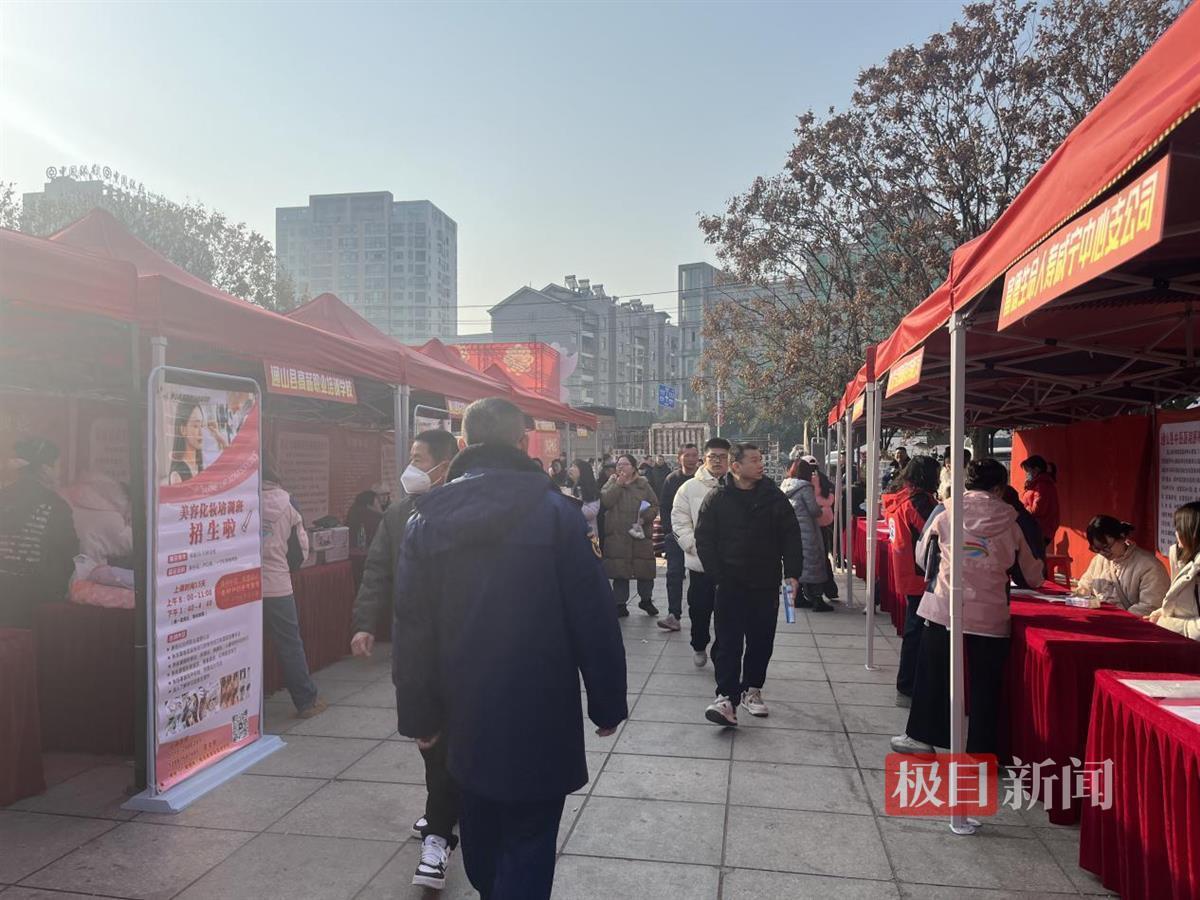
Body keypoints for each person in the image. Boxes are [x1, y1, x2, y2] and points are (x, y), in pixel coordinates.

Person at [392, 397, 626, 900]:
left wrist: (419, 715)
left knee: (481, 830)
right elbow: (595, 616)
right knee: (530, 835)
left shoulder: (426, 519)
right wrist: (607, 702)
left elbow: (412, 628)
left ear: (463, 443)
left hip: (463, 711)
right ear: (522, 442)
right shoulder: (559, 515)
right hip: (542, 708)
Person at [349, 429, 459, 888]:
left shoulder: (464, 512)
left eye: (420, 459)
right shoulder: (397, 514)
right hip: (414, 648)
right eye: (411, 457)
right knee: (427, 737)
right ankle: (443, 812)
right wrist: (364, 623)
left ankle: (440, 829)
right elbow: (376, 570)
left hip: (459, 645)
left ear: (445, 466)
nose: (411, 467)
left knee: (448, 739)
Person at [892, 459, 1043, 756]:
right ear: (1000, 488)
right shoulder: (1013, 519)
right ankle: (981, 751)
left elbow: (923, 556)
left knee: (933, 673)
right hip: (991, 611)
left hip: (944, 604)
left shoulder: (945, 510)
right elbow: (1032, 574)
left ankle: (921, 738)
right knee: (986, 684)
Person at [696, 443, 803, 726]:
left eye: (760, 459)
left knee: (761, 639)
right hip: (729, 583)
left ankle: (752, 690)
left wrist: (792, 573)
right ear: (736, 466)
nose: (760, 464)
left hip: (765, 582)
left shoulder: (773, 497)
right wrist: (717, 574)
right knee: (728, 641)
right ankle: (726, 698)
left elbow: (791, 536)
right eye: (754, 460)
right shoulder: (717, 498)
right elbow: (704, 539)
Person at [260, 464, 326, 720]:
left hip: (242, 587)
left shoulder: (242, 500)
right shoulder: (288, 502)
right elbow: (300, 549)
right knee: (289, 644)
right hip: (278, 585)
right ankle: (306, 701)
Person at [0, 438, 79, 628]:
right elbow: (68, 555)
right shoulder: (56, 506)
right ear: (44, 469)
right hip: (34, 601)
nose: (58, 472)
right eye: (57, 466)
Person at [882, 456, 940, 707]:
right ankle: (907, 686)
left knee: (914, 630)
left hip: (909, 573)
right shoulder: (918, 503)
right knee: (917, 633)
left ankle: (907, 685)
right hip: (921, 575)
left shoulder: (900, 499)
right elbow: (936, 531)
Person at [672, 437, 731, 666]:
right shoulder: (689, 488)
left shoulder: (737, 485)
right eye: (712, 456)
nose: (717, 461)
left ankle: (722, 653)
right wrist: (693, 546)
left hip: (730, 564)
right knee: (700, 610)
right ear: (704, 459)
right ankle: (699, 644)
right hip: (700, 564)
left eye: (722, 457)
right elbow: (679, 522)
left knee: (728, 614)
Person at [601, 454, 660, 617]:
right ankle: (620, 603)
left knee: (644, 568)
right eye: (618, 464)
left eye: (625, 464)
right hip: (618, 536)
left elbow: (655, 505)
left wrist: (645, 517)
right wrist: (618, 485)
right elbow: (606, 502)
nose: (620, 467)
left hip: (639, 534)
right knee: (620, 571)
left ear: (633, 467)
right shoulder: (612, 482)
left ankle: (646, 600)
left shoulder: (643, 484)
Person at [1073, 515, 1168, 615]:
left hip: (1129, 622)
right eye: (1097, 549)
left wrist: (1118, 618)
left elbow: (1150, 606)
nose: (1103, 553)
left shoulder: (1150, 566)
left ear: (1122, 536)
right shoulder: (1098, 560)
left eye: (1106, 547)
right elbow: (1084, 588)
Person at [780, 457, 833, 613]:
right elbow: (813, 510)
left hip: (790, 530)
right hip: (806, 531)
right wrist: (822, 510)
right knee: (813, 563)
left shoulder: (785, 485)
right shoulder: (805, 487)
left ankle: (795, 598)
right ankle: (817, 599)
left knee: (794, 564)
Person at [656, 443, 699, 632]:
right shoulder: (671, 479)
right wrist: (669, 531)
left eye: (694, 455)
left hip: (700, 536)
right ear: (679, 457)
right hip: (675, 535)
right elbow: (665, 507)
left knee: (700, 577)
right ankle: (674, 614)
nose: (691, 459)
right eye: (687, 455)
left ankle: (701, 613)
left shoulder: (703, 479)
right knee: (674, 574)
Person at [1148, 502, 1200, 639]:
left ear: (1192, 532)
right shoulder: (1178, 554)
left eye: (1178, 528)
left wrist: (1167, 623)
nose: (1176, 533)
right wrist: (1163, 612)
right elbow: (1181, 602)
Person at [1020, 455, 1060, 549]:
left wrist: (1023, 508)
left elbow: (1037, 510)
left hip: (1040, 529)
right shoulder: (1036, 484)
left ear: (1036, 469)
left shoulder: (1042, 485)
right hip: (1037, 529)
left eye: (1028, 471)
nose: (1027, 474)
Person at [168, 401, 205, 485]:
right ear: (183, 430)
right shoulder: (177, 475)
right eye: (195, 426)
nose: (201, 433)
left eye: (202, 426)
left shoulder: (200, 465)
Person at [566, 458, 602, 539]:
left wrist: (573, 502)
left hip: (587, 534)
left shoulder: (591, 489)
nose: (570, 469)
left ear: (583, 471)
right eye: (571, 466)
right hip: (570, 533)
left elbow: (591, 513)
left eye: (574, 466)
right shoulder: (568, 487)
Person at [346, 489, 384, 558]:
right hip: (371, 556)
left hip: (352, 555)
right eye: (378, 502)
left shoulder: (353, 513)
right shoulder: (376, 519)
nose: (380, 505)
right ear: (369, 506)